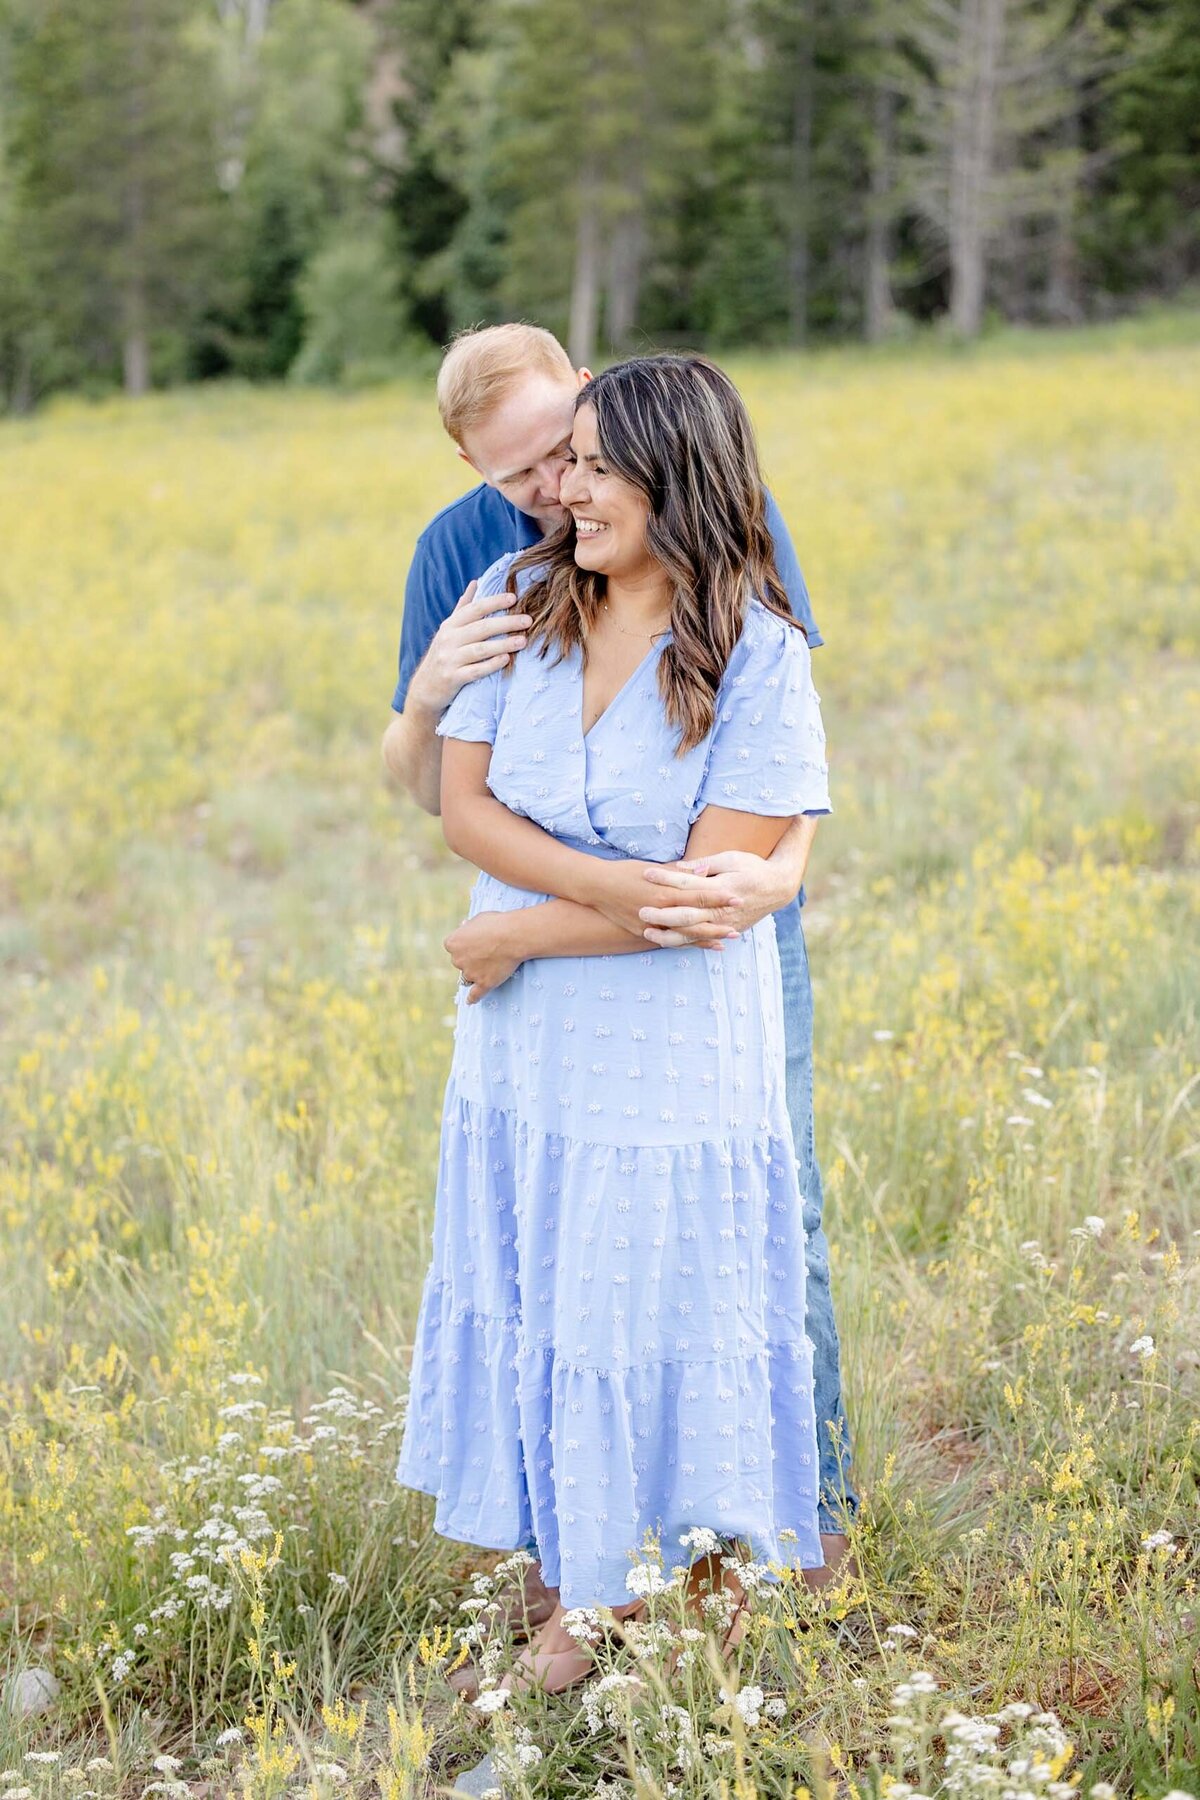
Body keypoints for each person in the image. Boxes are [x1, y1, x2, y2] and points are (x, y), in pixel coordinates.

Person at [382, 327, 858, 1613]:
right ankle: (578, 1559)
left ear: (609, 415)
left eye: (572, 456)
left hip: (678, 973)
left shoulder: (729, 546)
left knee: (737, 1242)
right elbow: (436, 790)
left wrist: (769, 872)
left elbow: (771, 777)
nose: (552, 489)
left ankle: (785, 1530)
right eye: (525, 474)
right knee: (548, 1259)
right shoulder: (485, 569)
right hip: (551, 987)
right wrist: (425, 700)